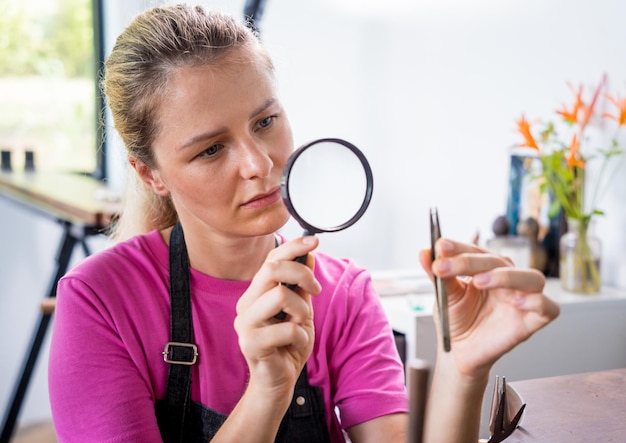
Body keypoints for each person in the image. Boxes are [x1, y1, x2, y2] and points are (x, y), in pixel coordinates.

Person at [48, 4, 560, 443]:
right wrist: (268, 390)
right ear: (150, 173)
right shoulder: (100, 302)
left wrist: (462, 369)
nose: (258, 163)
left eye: (265, 122)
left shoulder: (342, 292)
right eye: (210, 149)